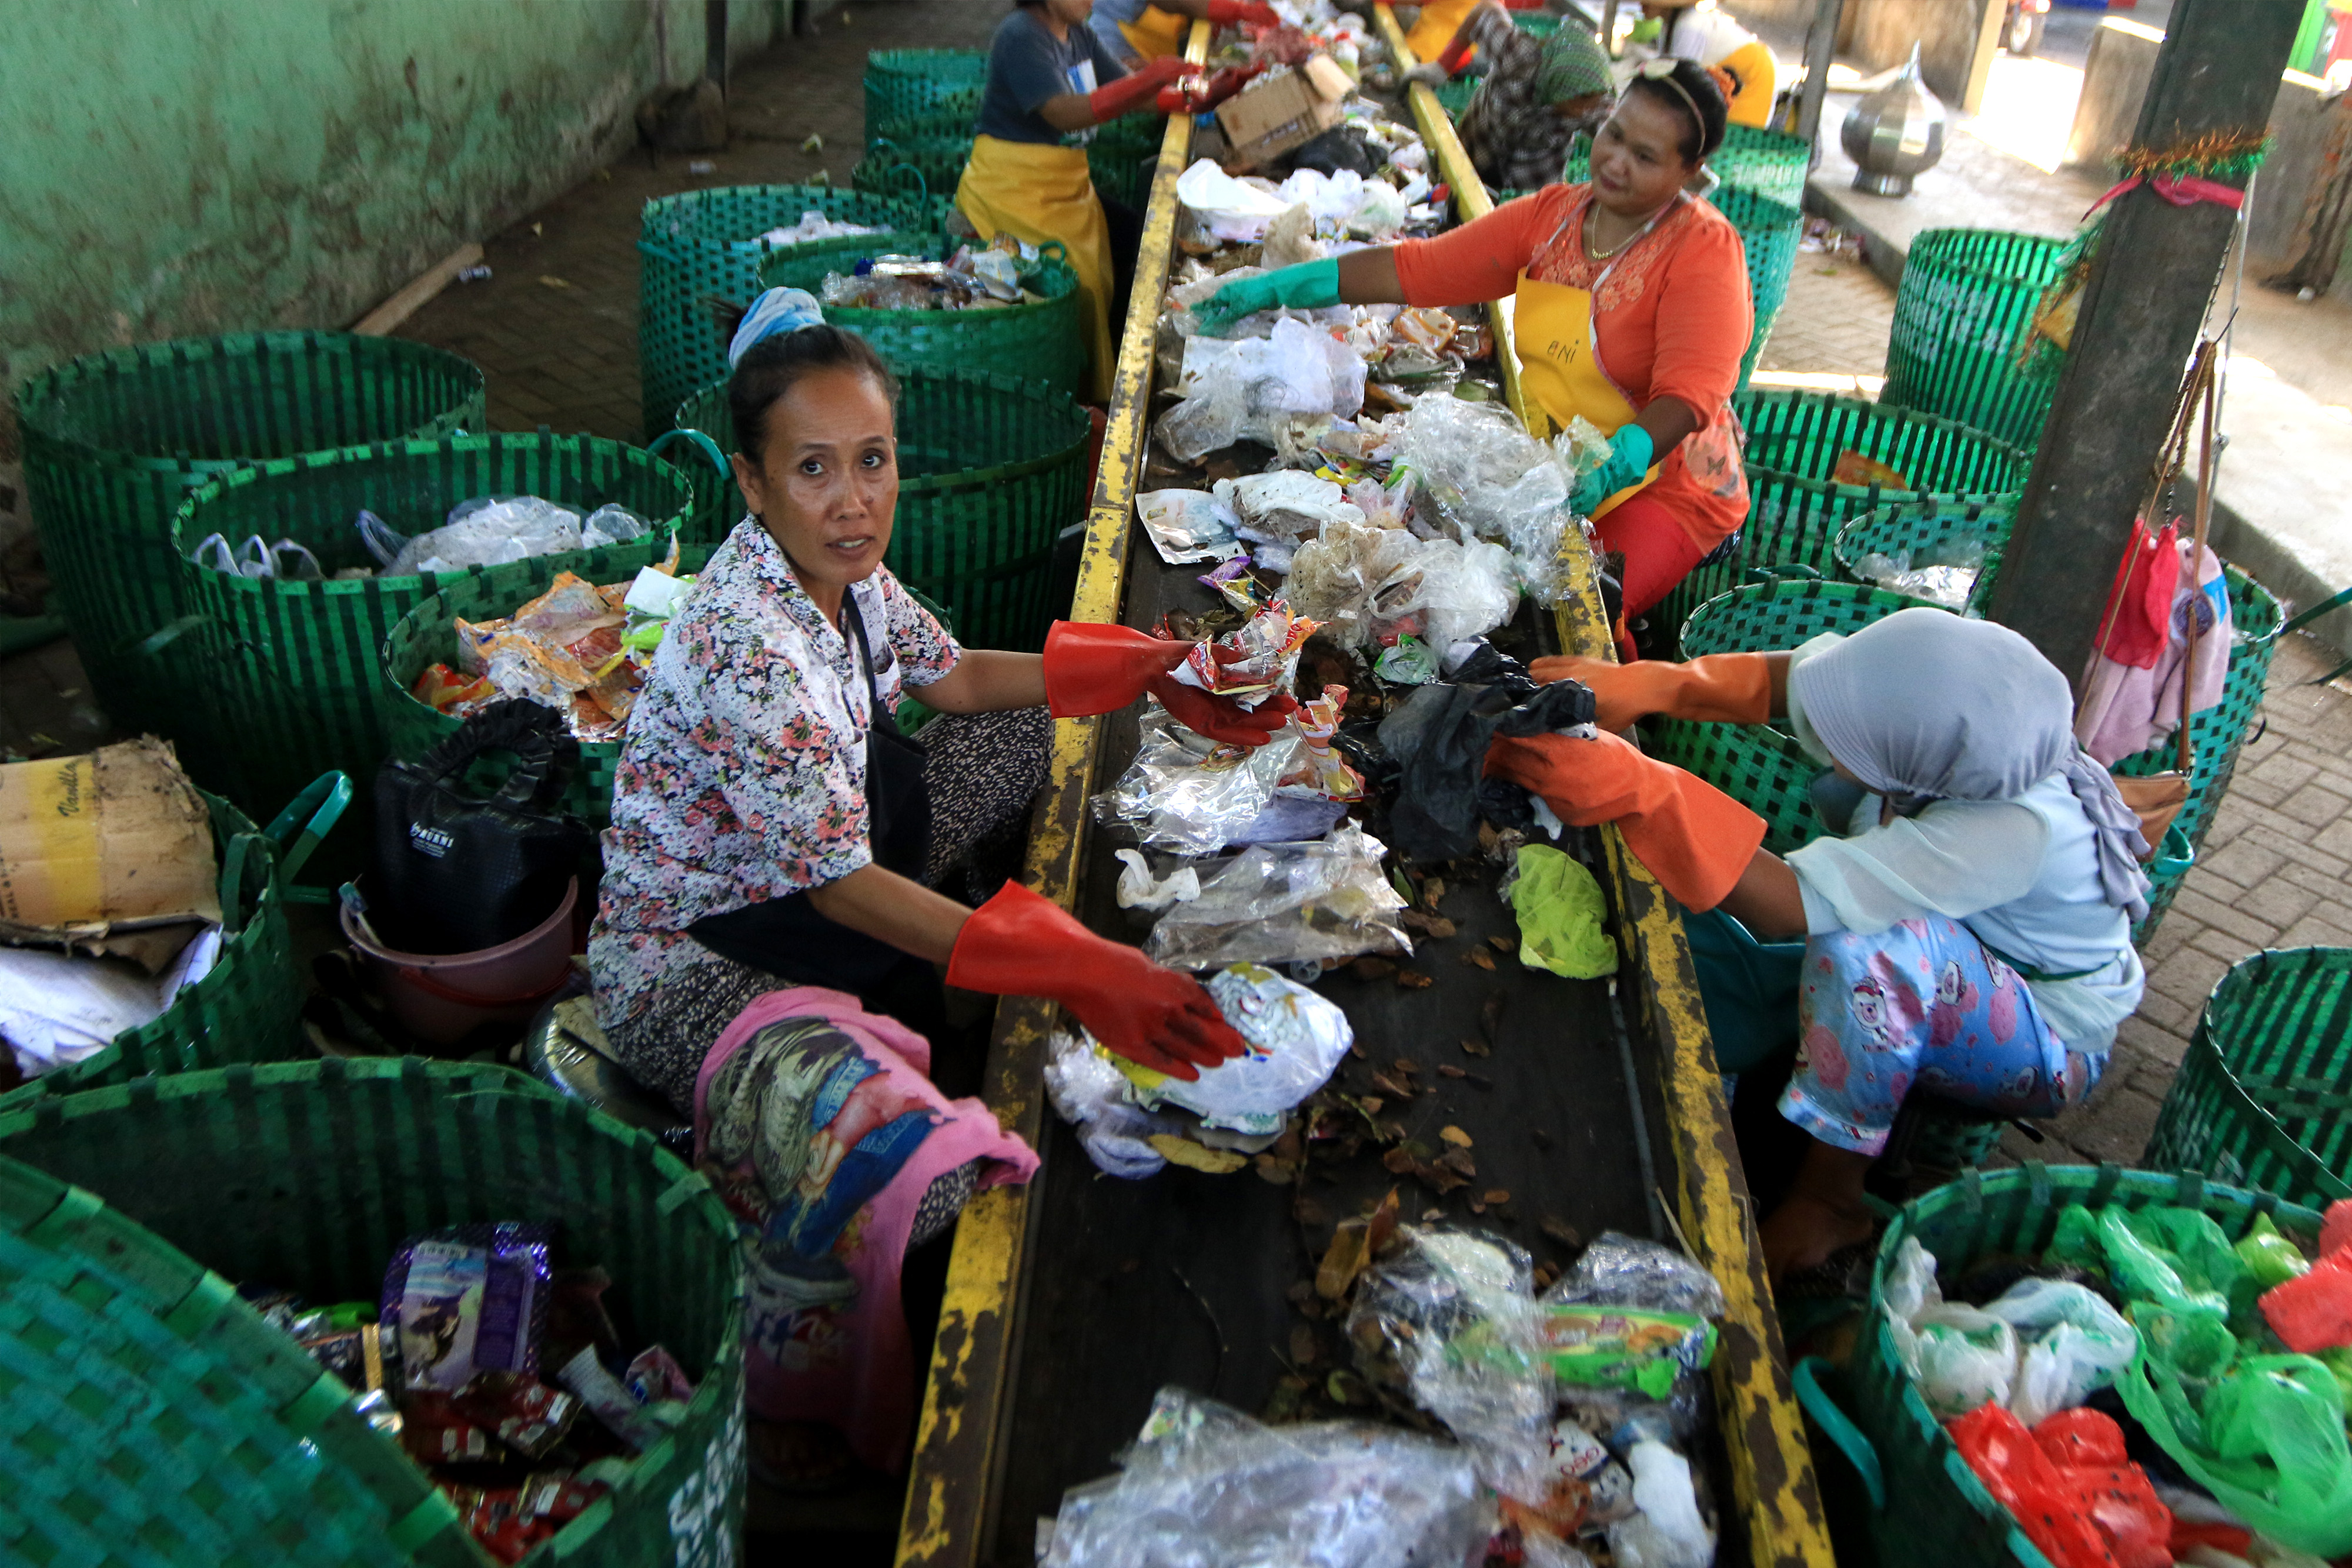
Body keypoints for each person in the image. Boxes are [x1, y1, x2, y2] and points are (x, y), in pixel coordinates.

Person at [590, 289, 1297, 1121]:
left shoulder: (846, 573)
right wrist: (1082, 966)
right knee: (906, 1164)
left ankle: (976, 947)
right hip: (704, 951)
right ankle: (960, 981)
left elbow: (955, 676)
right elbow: (841, 885)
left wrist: (1154, 667)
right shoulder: (748, 647)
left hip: (821, 865)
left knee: (1038, 723)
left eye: (873, 459)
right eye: (813, 467)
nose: (853, 500)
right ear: (753, 480)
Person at [1495, 611, 2151, 1279]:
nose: (1824, 737)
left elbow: (1794, 908)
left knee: (1869, 948)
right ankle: (1789, 1050)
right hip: (1954, 949)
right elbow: (1793, 682)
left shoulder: (2012, 828)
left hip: (2044, 1034)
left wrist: (1641, 789)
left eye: (1849, 740)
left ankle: (1830, 1199)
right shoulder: (1966, 733)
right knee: (1751, 942)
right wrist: (1650, 683)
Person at [1194, 58, 1749, 625]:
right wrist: (1277, 287)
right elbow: (1416, 270)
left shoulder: (1704, 251)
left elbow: (1687, 400)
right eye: (1615, 136)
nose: (1615, 161)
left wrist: (1614, 466)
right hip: (1564, 458)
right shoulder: (1553, 219)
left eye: (1646, 157)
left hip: (1667, 483)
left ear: (1690, 171)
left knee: (1587, 607)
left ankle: (1621, 700)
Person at [960, 0, 1195, 403]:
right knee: (1079, 287)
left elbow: (1128, 94)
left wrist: (1198, 96)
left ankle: (1122, 368)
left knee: (1139, 242)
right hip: (1013, 193)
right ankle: (1081, 396)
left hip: (1065, 188)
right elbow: (1065, 114)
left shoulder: (1079, 35)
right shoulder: (1020, 36)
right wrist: (1151, 77)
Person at [1402, 2, 1615, 196]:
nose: (1588, 109)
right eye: (1582, 100)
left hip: (1530, 187)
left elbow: (1617, 137)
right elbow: (1486, 10)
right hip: (1475, 149)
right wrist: (1442, 66)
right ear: (1560, 86)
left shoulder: (1596, 102)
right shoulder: (1522, 56)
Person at [1635, 1, 1777, 129]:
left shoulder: (1689, 25)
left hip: (1755, 77)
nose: (1641, 4)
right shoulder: (1670, 25)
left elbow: (1680, 84)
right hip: (1731, 80)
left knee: (1726, 146)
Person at [1086, 0, 1278, 63]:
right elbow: (1134, 79)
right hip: (1172, 68)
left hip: (1202, 41)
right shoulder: (1097, 32)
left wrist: (1234, 10)